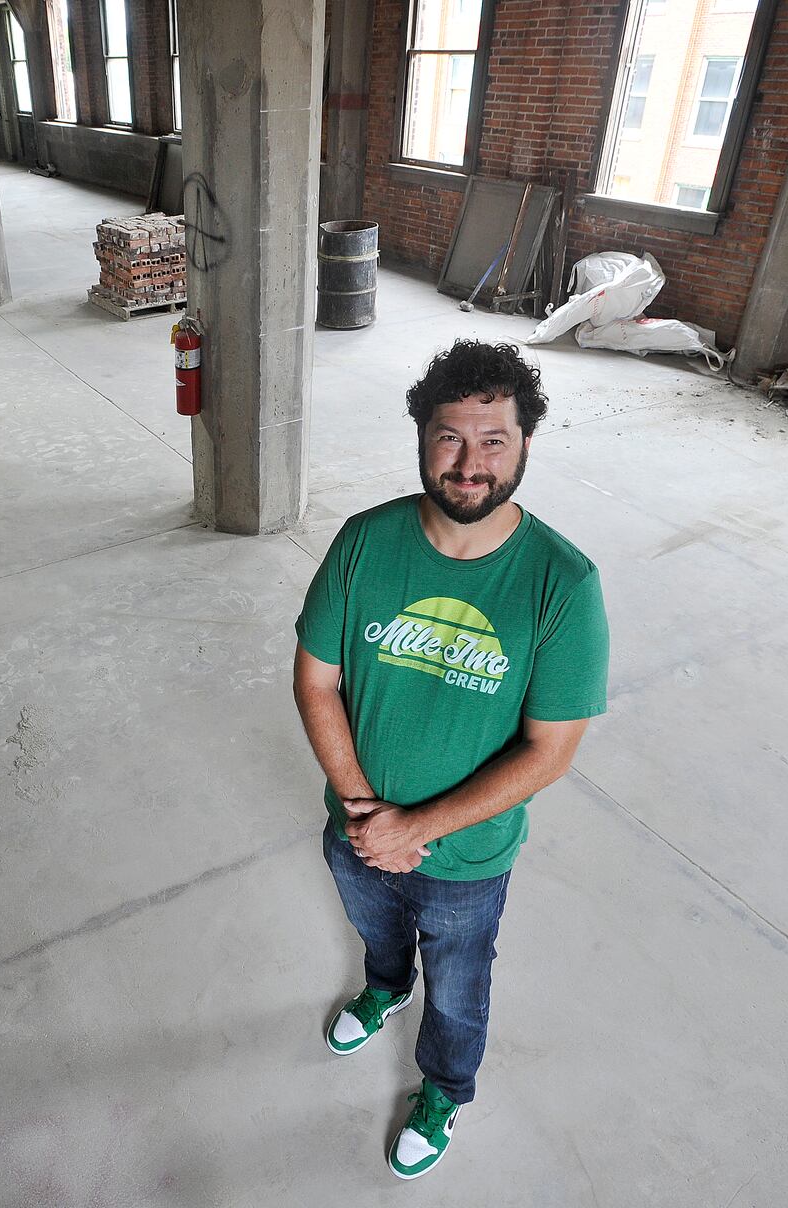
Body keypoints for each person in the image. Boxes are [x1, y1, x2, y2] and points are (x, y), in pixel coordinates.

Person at [292, 340, 609, 1180]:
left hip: (465, 855)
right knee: (378, 930)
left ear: (525, 444)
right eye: (449, 437)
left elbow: (552, 750)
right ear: (421, 439)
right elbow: (315, 682)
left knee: (461, 984)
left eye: (493, 440)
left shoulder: (561, 583)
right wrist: (368, 818)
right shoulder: (365, 542)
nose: (469, 464)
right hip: (356, 830)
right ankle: (385, 985)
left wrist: (418, 829)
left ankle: (444, 1088)